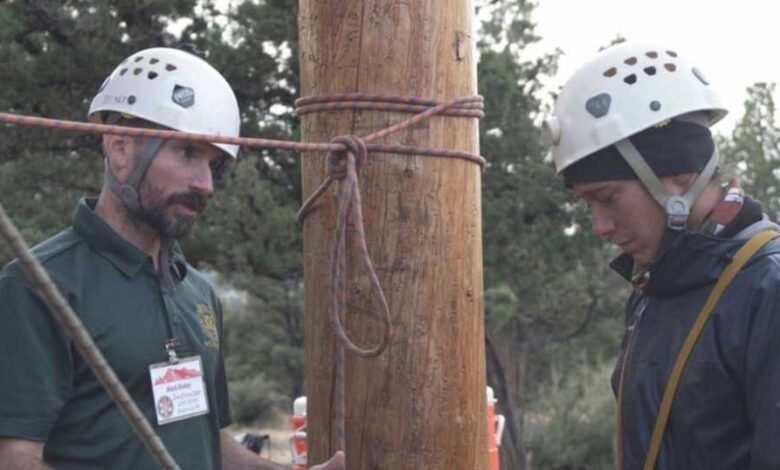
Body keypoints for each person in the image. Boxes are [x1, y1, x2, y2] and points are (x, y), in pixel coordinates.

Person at [0, 47, 343, 470]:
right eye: (187, 153)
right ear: (121, 149)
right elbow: (14, 458)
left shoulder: (197, 293)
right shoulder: (39, 285)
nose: (205, 184)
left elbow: (208, 444)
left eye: (214, 165)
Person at [544, 41, 780, 469]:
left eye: (608, 198)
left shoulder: (768, 289)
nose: (599, 226)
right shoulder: (655, 289)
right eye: (587, 204)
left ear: (678, 176)